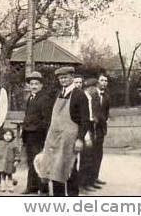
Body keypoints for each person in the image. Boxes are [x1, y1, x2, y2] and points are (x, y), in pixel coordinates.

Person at [36, 66, 90, 196]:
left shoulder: (79, 95)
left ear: (72, 77)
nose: (63, 80)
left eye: (65, 77)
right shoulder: (60, 93)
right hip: (55, 138)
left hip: (70, 138)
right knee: (55, 168)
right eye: (60, 78)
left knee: (70, 168)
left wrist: (80, 139)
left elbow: (85, 120)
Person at [21, 71, 55, 195]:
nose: (34, 86)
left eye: (36, 83)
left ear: (41, 85)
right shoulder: (30, 98)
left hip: (39, 135)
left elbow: (46, 120)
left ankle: (43, 188)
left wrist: (42, 134)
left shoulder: (45, 99)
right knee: (31, 161)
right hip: (29, 134)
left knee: (40, 161)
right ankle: (32, 187)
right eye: (31, 83)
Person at [78, 78, 101, 192]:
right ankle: (82, 184)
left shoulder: (91, 97)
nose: (96, 90)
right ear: (89, 87)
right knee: (85, 156)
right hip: (85, 127)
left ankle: (89, 181)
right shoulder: (83, 96)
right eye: (94, 87)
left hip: (91, 125)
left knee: (90, 155)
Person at [92, 73, 110, 188]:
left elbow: (106, 112)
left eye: (106, 81)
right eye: (102, 80)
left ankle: (95, 177)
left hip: (101, 130)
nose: (104, 83)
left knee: (99, 154)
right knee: (90, 155)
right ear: (97, 82)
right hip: (92, 128)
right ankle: (89, 180)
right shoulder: (92, 95)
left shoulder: (107, 96)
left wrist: (103, 123)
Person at [0, 129, 20, 193]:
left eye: (9, 135)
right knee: (2, 175)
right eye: (6, 135)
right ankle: (3, 187)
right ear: (3, 135)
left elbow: (17, 153)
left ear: (12, 136)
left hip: (9, 162)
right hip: (1, 163)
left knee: (9, 174)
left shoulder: (13, 144)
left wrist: (16, 160)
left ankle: (10, 187)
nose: (8, 136)